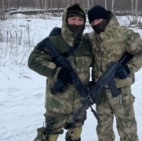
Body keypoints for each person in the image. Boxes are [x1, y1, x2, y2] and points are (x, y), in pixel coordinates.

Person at [87, 5, 142, 141]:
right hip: (100, 92)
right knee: (103, 131)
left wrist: (129, 68)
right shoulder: (91, 38)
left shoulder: (123, 34)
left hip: (121, 91)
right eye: (92, 22)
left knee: (127, 130)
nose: (95, 24)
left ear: (105, 18)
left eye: (98, 20)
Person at [28, 3, 93, 141]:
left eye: (80, 20)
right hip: (57, 103)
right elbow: (33, 61)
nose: (76, 23)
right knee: (50, 136)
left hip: (81, 103)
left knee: (75, 133)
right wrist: (57, 71)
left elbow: (98, 63)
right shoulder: (54, 41)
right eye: (73, 19)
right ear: (65, 20)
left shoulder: (87, 43)